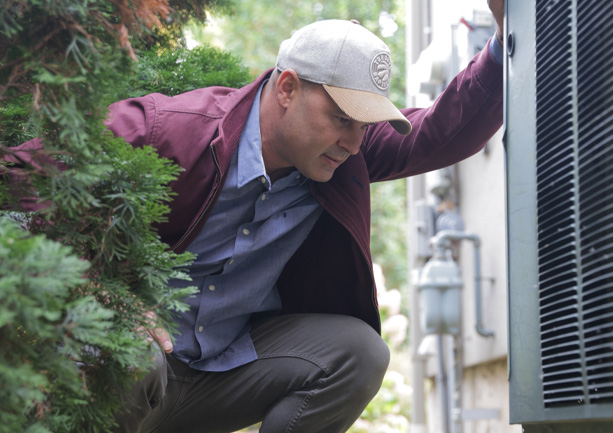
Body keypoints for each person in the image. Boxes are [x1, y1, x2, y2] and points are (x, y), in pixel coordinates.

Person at [12, 1, 505, 431]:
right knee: (129, 351)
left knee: (359, 354)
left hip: (223, 377)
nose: (355, 143)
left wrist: (506, 43)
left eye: (365, 126)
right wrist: (99, 291)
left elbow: (439, 131)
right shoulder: (168, 132)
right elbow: (14, 182)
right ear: (287, 87)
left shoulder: (345, 156)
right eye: (342, 120)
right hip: (130, 375)